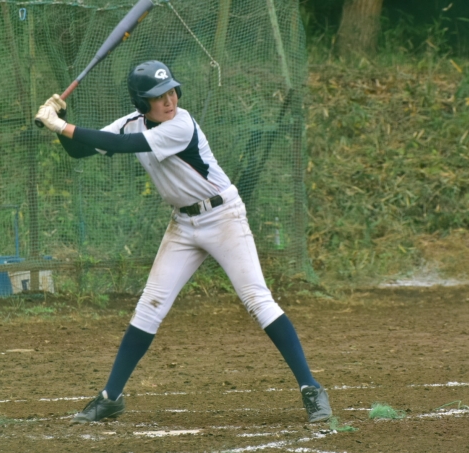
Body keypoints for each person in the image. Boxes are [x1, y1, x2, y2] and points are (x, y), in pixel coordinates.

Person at [34, 60, 332, 424]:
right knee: (149, 306)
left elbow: (123, 145)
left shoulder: (181, 125)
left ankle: (311, 388)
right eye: (158, 96)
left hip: (223, 217)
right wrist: (58, 122)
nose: (169, 100)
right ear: (141, 103)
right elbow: (81, 149)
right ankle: (111, 397)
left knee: (257, 300)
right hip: (183, 224)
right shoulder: (132, 122)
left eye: (171, 91)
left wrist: (60, 124)